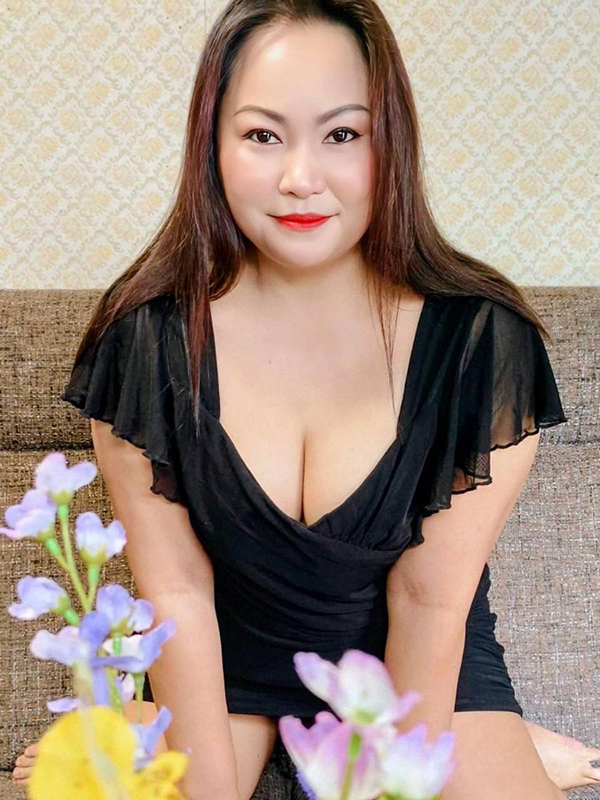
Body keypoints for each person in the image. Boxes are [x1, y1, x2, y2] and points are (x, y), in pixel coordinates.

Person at [12, 2, 599, 799]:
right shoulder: (144, 339)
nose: (300, 178)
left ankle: (508, 740)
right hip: (228, 669)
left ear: (391, 143)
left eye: (342, 134)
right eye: (262, 135)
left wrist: (398, 781)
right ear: (212, 144)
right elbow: (177, 595)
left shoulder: (481, 342)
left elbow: (427, 601)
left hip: (409, 667)